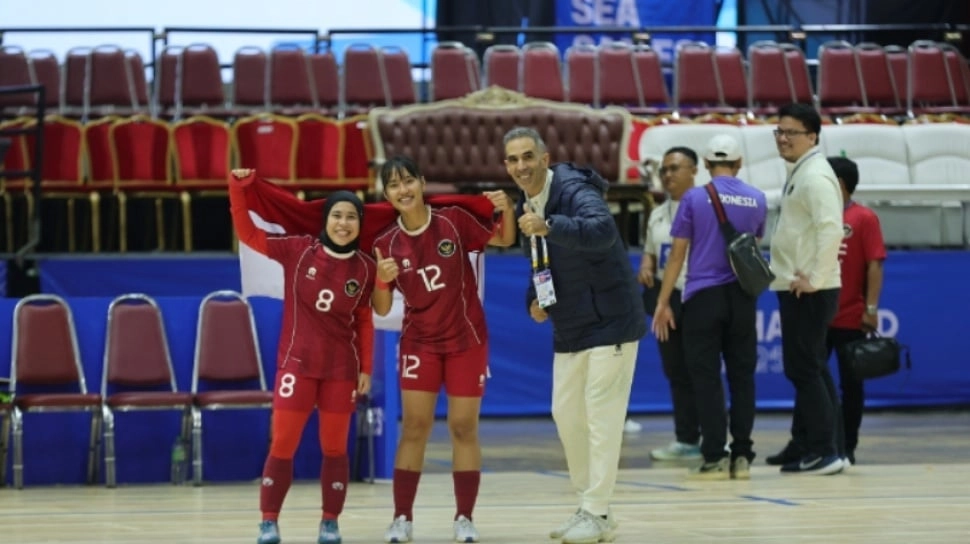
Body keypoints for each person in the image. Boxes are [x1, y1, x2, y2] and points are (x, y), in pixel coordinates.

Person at [228, 168, 386, 544]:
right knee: (283, 444)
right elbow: (248, 233)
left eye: (351, 217)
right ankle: (269, 520)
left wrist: (367, 367)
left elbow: (365, 321)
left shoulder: (366, 267)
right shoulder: (298, 251)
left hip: (340, 372)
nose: (343, 223)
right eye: (337, 215)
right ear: (326, 219)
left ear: (359, 224)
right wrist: (237, 189)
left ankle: (330, 521)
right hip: (296, 366)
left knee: (335, 448)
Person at [504, 126, 645, 544]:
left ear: (545, 159)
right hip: (571, 323)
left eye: (528, 156)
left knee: (601, 417)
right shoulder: (525, 202)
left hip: (611, 319)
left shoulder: (572, 187)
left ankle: (596, 509)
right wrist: (536, 297)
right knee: (566, 415)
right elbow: (539, 258)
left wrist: (548, 224)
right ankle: (592, 507)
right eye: (512, 160)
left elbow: (602, 229)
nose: (520, 166)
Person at [372, 156, 516, 544]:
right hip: (420, 342)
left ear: (422, 182)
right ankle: (401, 518)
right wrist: (382, 282)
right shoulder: (384, 244)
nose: (403, 190)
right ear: (385, 195)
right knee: (415, 427)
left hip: (466, 341)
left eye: (408, 181)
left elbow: (504, 238)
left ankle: (464, 518)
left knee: (463, 428)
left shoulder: (452, 220)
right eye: (394, 185)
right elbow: (381, 309)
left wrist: (508, 207)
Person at [651, 135, 767, 480]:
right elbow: (752, 246)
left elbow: (677, 254)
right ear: (739, 163)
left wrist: (662, 301)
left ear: (704, 163)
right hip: (743, 297)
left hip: (702, 297)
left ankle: (715, 456)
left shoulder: (694, 198)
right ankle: (743, 455)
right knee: (742, 377)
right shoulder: (758, 199)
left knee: (706, 379)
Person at [766, 103, 846, 475]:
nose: (782, 139)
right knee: (810, 367)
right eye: (778, 132)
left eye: (790, 133)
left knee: (804, 369)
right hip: (800, 284)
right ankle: (821, 445)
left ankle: (824, 450)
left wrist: (815, 277)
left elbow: (832, 228)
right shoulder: (802, 170)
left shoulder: (815, 176)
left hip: (809, 289)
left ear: (812, 137)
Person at [638, 146, 702, 461]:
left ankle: (714, 439)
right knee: (676, 369)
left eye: (675, 168)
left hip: (698, 294)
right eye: (664, 169)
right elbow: (652, 249)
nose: (668, 175)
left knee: (700, 370)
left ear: (694, 171)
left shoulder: (704, 206)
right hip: (666, 298)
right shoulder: (658, 212)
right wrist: (646, 264)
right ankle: (686, 439)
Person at [825, 156, 886, 465]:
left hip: (850, 315)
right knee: (809, 380)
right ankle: (806, 443)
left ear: (840, 184)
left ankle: (847, 447)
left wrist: (871, 307)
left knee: (851, 385)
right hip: (817, 315)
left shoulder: (864, 218)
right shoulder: (818, 215)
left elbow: (874, 264)